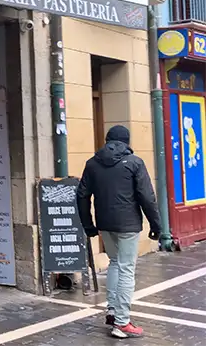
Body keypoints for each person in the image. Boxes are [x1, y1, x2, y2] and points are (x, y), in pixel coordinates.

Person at [76, 125, 162, 339]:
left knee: (115, 263)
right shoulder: (134, 163)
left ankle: (113, 311)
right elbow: (147, 197)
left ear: (107, 140)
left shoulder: (92, 164)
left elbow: (81, 195)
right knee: (126, 269)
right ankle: (122, 323)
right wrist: (156, 225)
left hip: (105, 223)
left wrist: (88, 224)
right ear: (127, 142)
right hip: (128, 225)